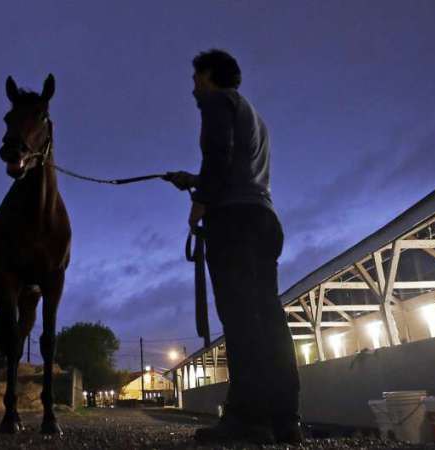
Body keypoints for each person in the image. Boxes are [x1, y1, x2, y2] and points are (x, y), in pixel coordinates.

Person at [164, 49, 302, 445]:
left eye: (195, 79)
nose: (193, 88)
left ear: (208, 76)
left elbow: (218, 155)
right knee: (269, 319)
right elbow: (233, 164)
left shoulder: (216, 101)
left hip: (234, 223)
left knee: (240, 320)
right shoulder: (254, 115)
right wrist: (191, 178)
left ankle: (248, 419)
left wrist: (200, 201)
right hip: (263, 219)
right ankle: (285, 419)